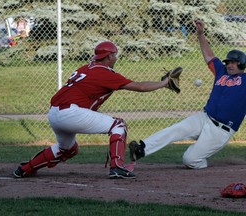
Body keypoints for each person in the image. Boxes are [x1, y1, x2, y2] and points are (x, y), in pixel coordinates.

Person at [13, 41, 170, 179]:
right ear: (109, 56)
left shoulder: (86, 68)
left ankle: (25, 169)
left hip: (55, 113)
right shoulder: (103, 72)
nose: (116, 58)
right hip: (70, 113)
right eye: (115, 55)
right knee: (118, 126)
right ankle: (117, 168)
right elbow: (140, 86)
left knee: (67, 149)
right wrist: (164, 83)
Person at [129, 19, 246, 169]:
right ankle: (141, 149)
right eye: (228, 62)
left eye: (233, 62)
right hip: (205, 117)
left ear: (242, 64)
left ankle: (203, 161)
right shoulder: (221, 72)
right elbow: (209, 55)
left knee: (190, 160)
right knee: (176, 129)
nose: (229, 64)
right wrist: (201, 34)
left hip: (221, 130)